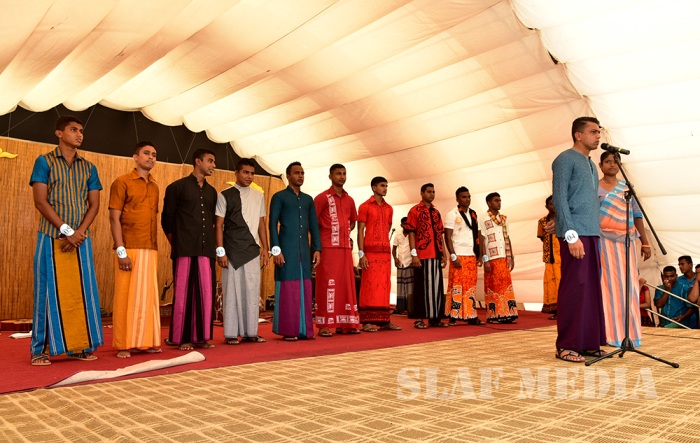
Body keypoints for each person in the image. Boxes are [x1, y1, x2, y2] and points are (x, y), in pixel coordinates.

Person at [29, 115, 103, 366]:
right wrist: (66, 230)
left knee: (81, 292)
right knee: (45, 293)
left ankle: (79, 346)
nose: (79, 134)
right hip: (51, 237)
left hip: (81, 240)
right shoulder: (44, 161)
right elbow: (40, 202)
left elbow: (94, 205)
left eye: (81, 130)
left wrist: (77, 233)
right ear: (59, 133)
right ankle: (39, 350)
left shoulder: (89, 167)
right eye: (73, 129)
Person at [551, 116, 607, 363]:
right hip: (575, 234)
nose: (598, 136)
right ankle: (567, 345)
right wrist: (571, 235)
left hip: (592, 233)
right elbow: (560, 198)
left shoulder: (592, 164)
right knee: (575, 288)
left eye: (599, 132)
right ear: (579, 135)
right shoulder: (565, 159)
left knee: (591, 289)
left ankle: (588, 343)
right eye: (593, 132)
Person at [109, 141, 162, 358]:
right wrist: (120, 251)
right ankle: (124, 344)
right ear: (135, 157)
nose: (151, 157)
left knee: (148, 298)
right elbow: (114, 218)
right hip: (129, 247)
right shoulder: (122, 182)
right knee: (126, 297)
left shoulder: (155, 186)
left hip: (150, 248)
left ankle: (147, 341)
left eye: (154, 154)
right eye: (146, 153)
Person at [161, 148, 218, 351]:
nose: (213, 165)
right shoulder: (176, 187)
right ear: (198, 161)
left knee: (206, 293)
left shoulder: (212, 192)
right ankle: (181, 338)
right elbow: (167, 220)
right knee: (184, 294)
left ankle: (201, 337)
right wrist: (177, 243)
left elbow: (213, 221)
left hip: (206, 249)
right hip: (184, 249)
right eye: (210, 161)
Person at [597, 150, 652, 347]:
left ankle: (630, 334)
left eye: (616, 161)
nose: (612, 164)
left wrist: (645, 242)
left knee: (629, 286)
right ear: (601, 165)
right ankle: (609, 334)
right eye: (608, 161)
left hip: (626, 244)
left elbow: (637, 215)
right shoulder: (594, 187)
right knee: (607, 288)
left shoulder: (627, 187)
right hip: (603, 243)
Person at [215, 158, 268, 345]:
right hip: (232, 252)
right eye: (245, 172)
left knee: (251, 291)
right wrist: (220, 252)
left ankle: (250, 332)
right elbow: (219, 225)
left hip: (252, 251)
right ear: (236, 173)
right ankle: (231, 333)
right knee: (232, 292)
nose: (249, 176)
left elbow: (261, 224)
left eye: (252, 173)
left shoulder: (258, 196)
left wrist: (266, 248)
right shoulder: (224, 195)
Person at [269, 162, 321, 341]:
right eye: (296, 173)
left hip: (304, 251)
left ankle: (304, 330)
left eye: (302, 173)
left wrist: (317, 249)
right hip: (286, 250)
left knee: (305, 288)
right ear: (288, 176)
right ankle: (289, 330)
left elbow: (314, 226)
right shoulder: (279, 197)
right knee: (288, 289)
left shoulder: (308, 199)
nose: (300, 176)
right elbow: (272, 224)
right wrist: (276, 250)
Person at [313, 164, 360, 337]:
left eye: (344, 174)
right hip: (327, 248)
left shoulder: (350, 200)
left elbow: (353, 221)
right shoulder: (321, 198)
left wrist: (343, 231)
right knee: (327, 285)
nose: (341, 176)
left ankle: (345, 323)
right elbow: (313, 223)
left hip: (345, 248)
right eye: (338, 174)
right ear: (330, 176)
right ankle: (325, 324)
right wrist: (318, 245)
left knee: (345, 285)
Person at [357, 176, 399, 332]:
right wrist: (361, 254)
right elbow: (360, 231)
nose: (385, 188)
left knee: (384, 286)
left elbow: (387, 228)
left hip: (384, 253)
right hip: (370, 252)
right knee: (369, 286)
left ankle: (384, 320)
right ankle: (366, 321)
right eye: (382, 185)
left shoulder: (389, 208)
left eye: (386, 186)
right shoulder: (364, 206)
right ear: (374, 187)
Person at [405, 183, 448, 329]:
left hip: (436, 255)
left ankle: (435, 318)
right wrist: (414, 254)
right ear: (422, 193)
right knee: (421, 287)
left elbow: (440, 235)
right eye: (429, 192)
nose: (432, 194)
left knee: (437, 287)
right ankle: (419, 319)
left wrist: (444, 254)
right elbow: (411, 233)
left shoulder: (436, 212)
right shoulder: (415, 210)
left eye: (433, 192)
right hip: (422, 255)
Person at [444, 186, 482, 325]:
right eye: (464, 197)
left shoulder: (473, 214)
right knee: (457, 286)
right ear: (457, 199)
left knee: (470, 287)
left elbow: (478, 235)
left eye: (468, 196)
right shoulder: (452, 214)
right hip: (459, 254)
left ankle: (471, 315)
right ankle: (453, 316)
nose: (467, 199)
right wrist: (453, 256)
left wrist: (480, 255)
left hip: (471, 255)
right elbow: (447, 237)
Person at [479, 192, 518, 324]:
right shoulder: (483, 219)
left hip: (504, 256)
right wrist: (485, 259)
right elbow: (481, 239)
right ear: (489, 203)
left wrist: (511, 256)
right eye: (496, 200)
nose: (499, 203)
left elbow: (508, 237)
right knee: (494, 286)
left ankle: (508, 313)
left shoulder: (504, 219)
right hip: (492, 258)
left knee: (506, 286)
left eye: (500, 200)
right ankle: (494, 315)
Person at [537, 195, 560, 320]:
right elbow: (542, 237)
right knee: (551, 284)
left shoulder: (562, 219)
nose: (553, 206)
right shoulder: (542, 221)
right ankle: (555, 310)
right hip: (549, 258)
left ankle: (564, 309)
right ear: (546, 206)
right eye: (551, 204)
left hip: (561, 257)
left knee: (561, 283)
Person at [392, 217, 412, 315]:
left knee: (409, 286)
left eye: (408, 224)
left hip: (410, 262)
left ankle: (410, 307)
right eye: (405, 224)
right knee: (400, 286)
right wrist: (395, 258)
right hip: (400, 263)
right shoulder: (398, 235)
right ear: (401, 225)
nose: (406, 226)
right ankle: (400, 307)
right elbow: (394, 249)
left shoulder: (412, 235)